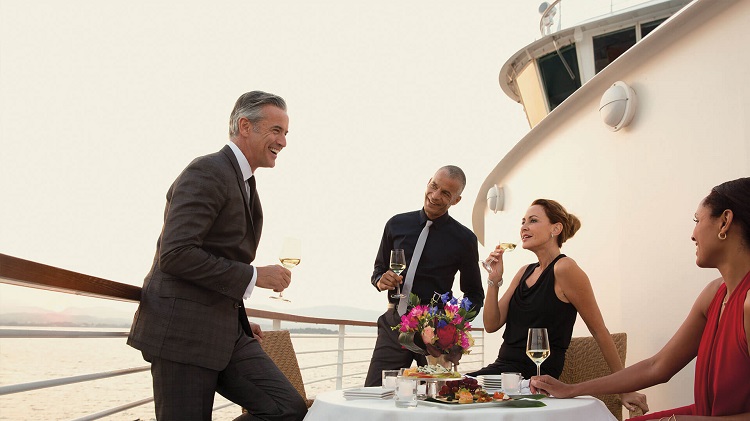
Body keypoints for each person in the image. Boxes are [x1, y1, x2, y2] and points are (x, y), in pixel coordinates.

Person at [127, 91, 307, 421]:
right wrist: (255, 276)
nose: (283, 141)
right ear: (245, 126)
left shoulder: (244, 182)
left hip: (225, 331)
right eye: (276, 130)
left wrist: (234, 316)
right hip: (182, 334)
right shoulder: (207, 171)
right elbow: (177, 254)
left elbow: (214, 257)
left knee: (287, 407)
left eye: (285, 133)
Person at [531, 178, 750, 420]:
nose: (692, 234)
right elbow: (657, 366)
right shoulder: (713, 295)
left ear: (725, 221)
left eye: (697, 220)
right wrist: (572, 389)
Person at [468, 199, 647, 413]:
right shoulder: (524, 271)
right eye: (523, 221)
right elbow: (491, 323)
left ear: (556, 228)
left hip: (534, 376)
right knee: (449, 390)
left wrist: (624, 387)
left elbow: (599, 330)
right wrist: (494, 281)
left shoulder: (565, 269)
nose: (524, 227)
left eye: (533, 221)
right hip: (504, 374)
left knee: (456, 394)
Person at [364, 165, 485, 386]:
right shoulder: (395, 224)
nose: (435, 196)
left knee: (437, 399)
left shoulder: (465, 239)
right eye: (434, 186)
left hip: (436, 333)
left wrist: (454, 327)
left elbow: (475, 294)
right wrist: (381, 280)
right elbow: (378, 271)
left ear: (456, 200)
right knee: (374, 394)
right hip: (394, 324)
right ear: (429, 181)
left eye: (446, 193)